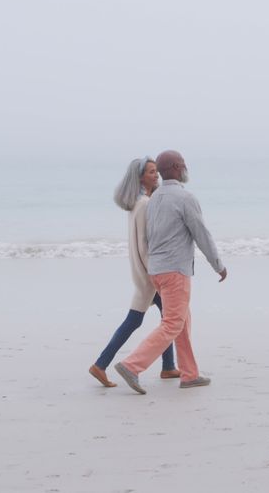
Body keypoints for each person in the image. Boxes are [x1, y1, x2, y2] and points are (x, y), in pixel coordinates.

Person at [114, 150, 227, 394]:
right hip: (175, 270)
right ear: (176, 167)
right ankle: (132, 366)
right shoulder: (185, 198)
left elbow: (149, 238)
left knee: (182, 321)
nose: (185, 167)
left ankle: (189, 374)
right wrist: (218, 264)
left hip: (157, 270)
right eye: (183, 163)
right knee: (173, 323)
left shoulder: (154, 199)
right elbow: (202, 234)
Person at [88, 157, 181, 387]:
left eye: (156, 171)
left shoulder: (139, 201)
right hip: (149, 273)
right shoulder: (144, 204)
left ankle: (168, 366)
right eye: (151, 172)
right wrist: (155, 274)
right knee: (143, 321)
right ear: (140, 177)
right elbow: (143, 244)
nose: (156, 175)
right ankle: (100, 365)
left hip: (143, 272)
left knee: (163, 318)